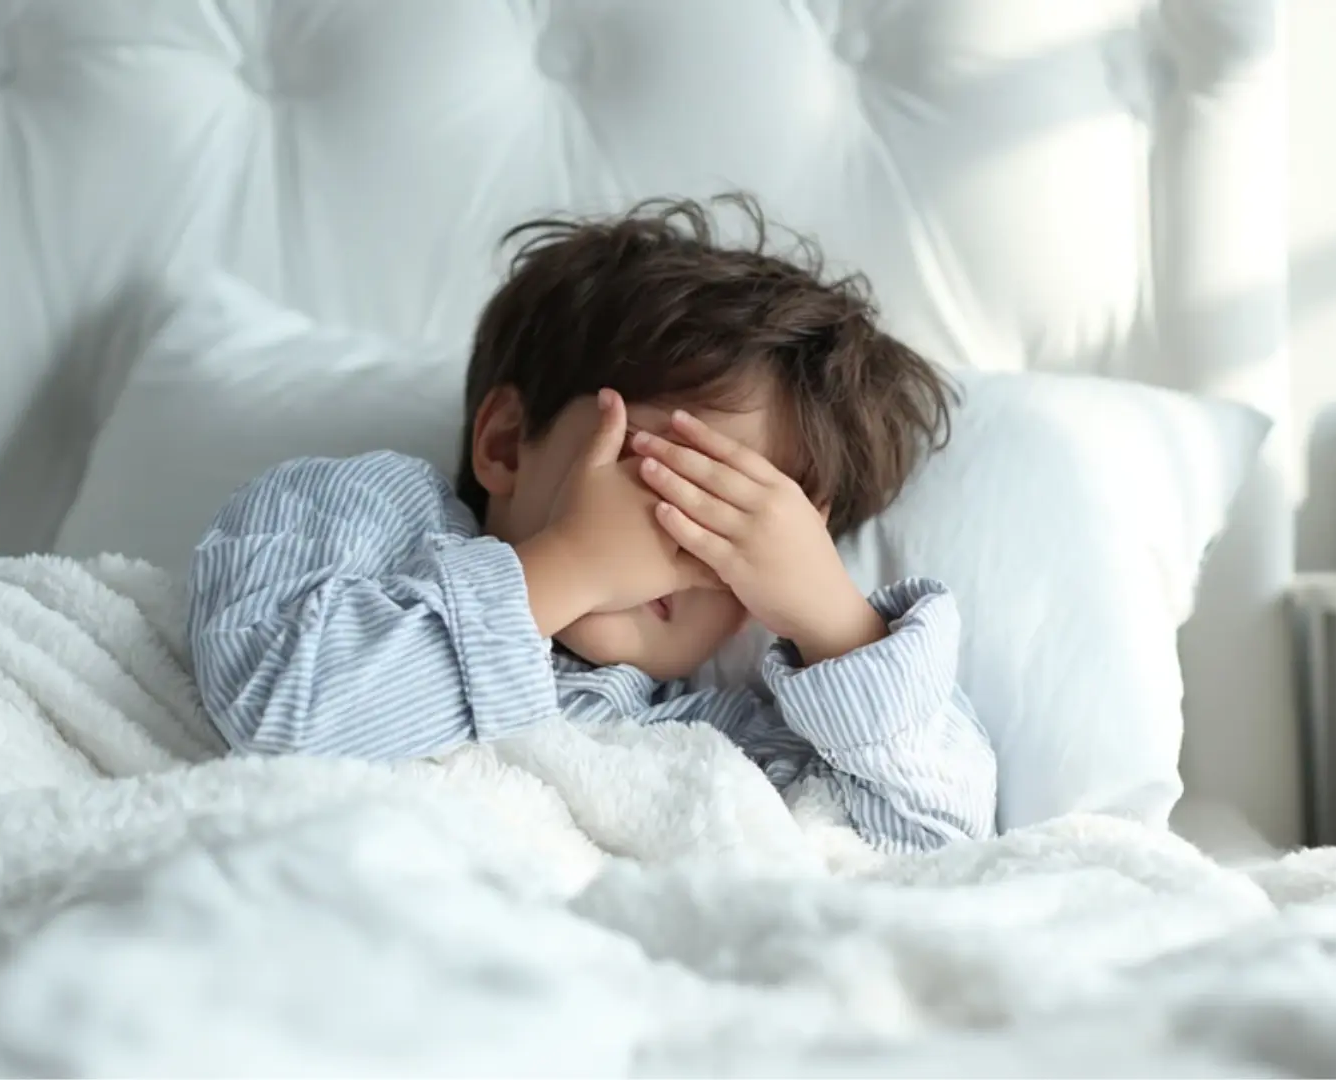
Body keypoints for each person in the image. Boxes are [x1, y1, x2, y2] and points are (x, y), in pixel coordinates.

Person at [185, 194, 997, 853]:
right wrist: (569, 562)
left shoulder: (702, 738)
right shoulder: (366, 514)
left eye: (741, 532)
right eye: (676, 478)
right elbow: (286, 716)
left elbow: (933, 845)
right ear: (507, 443)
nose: (688, 546)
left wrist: (833, 623)